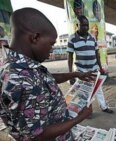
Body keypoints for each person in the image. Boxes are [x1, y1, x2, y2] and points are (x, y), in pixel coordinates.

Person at [0, 8, 93, 141]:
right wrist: (79, 118)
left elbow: (43, 79)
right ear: (35, 38)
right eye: (51, 43)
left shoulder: (13, 62)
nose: (51, 50)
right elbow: (39, 135)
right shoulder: (21, 79)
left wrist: (75, 74)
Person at [67, 15, 114, 114]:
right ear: (77, 25)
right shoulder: (72, 38)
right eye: (83, 25)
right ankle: (85, 110)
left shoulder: (92, 37)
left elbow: (97, 53)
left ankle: (104, 107)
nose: (85, 27)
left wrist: (100, 68)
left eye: (87, 25)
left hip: (94, 69)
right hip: (81, 71)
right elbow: (70, 57)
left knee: (98, 90)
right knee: (83, 92)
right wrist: (70, 73)